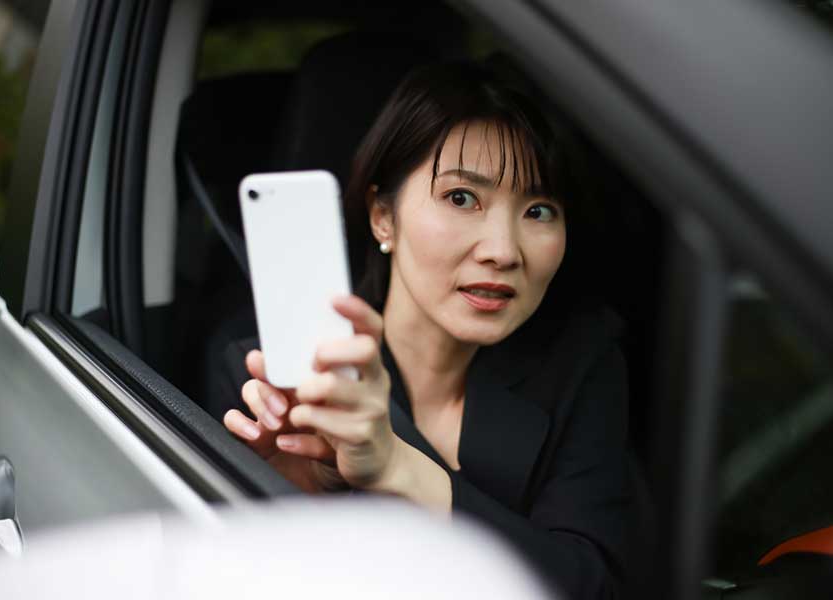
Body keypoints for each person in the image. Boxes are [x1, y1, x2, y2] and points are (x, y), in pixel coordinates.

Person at [222, 61, 631, 599]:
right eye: (462, 198)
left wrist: (397, 466)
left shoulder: (581, 360)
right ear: (382, 216)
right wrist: (296, 494)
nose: (503, 251)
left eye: (538, 210)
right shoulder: (272, 375)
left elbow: (591, 586)